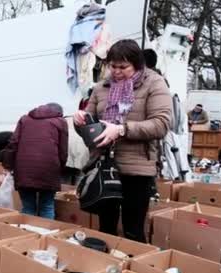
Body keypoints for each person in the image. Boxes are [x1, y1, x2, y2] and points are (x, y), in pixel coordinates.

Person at [73, 39, 171, 243]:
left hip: (137, 170)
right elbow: (88, 128)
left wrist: (121, 130)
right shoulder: (101, 88)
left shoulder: (154, 83)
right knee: (105, 227)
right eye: (112, 66)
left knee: (133, 230)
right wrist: (80, 121)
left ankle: (133, 269)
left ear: (137, 64)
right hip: (104, 167)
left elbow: (162, 124)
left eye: (123, 67)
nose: (116, 71)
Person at [2, 103, 68, 219]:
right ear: (59, 113)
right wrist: (60, 167)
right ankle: (45, 234)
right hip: (48, 169)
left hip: (24, 169)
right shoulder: (60, 122)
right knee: (47, 206)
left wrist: (8, 165)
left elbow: (13, 143)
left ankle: (29, 235)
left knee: (28, 207)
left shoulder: (24, 119)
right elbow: (63, 150)